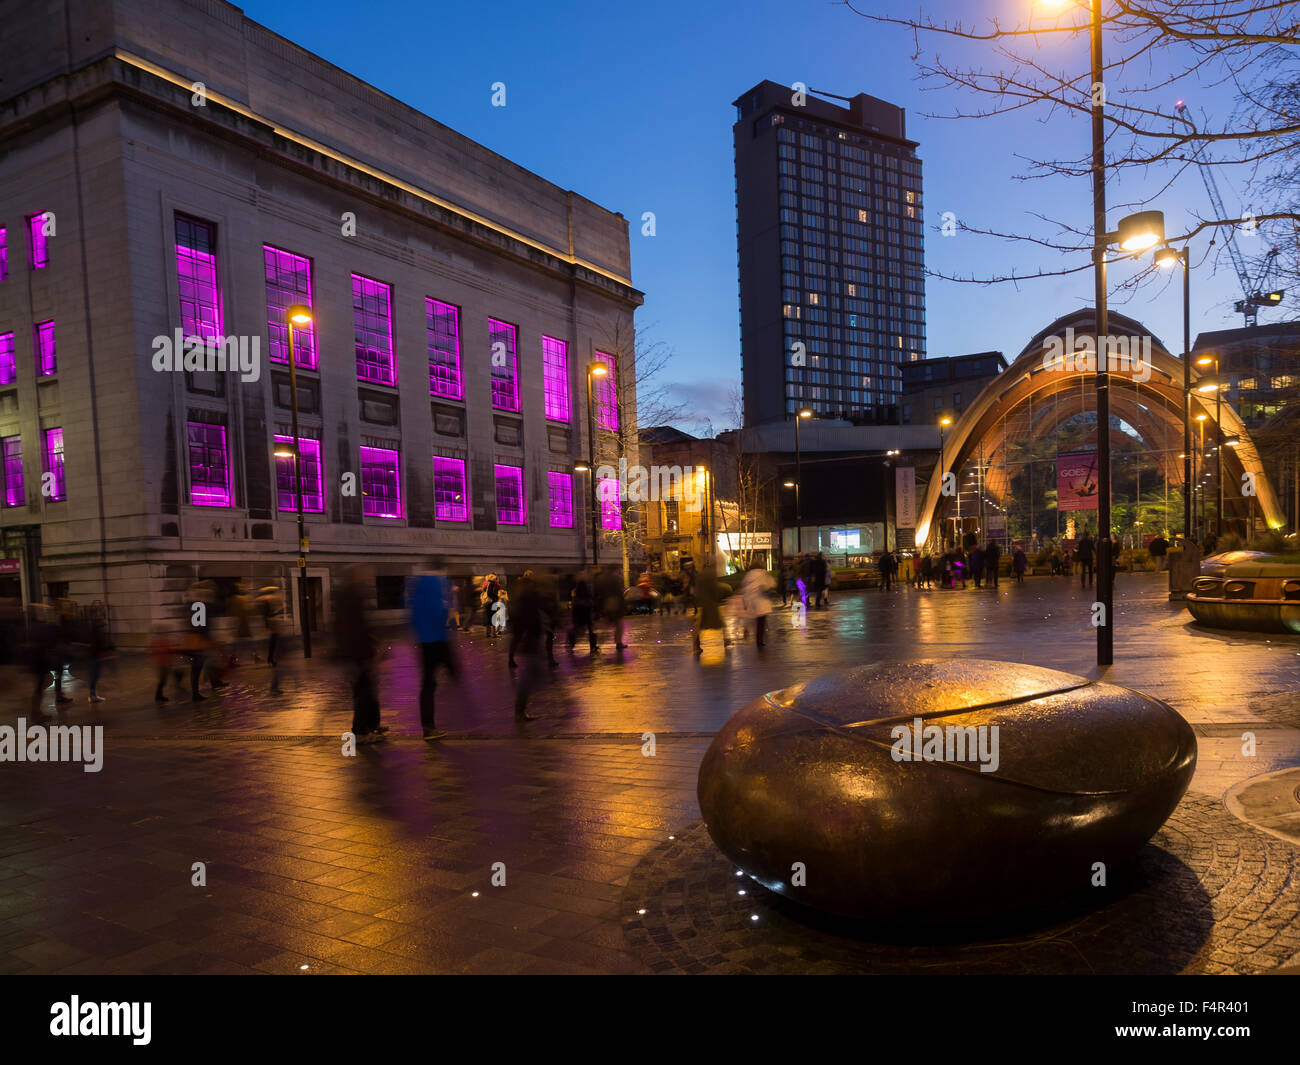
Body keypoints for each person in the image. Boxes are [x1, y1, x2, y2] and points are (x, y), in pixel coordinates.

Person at [409, 557, 458, 741]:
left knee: (428, 683)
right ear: (442, 568)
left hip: (423, 640)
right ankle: (462, 711)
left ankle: (428, 726)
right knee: (451, 674)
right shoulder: (438, 583)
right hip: (438, 638)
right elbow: (440, 609)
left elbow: (412, 612)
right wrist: (446, 624)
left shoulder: (418, 583)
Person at [337, 564, 384, 743]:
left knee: (367, 689)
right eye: (362, 573)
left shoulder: (348, 593)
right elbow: (357, 627)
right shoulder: (352, 595)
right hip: (358, 652)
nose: (366, 575)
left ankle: (371, 725)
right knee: (363, 691)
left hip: (355, 651)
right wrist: (369, 649)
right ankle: (359, 731)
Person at [507, 574, 543, 721]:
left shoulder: (518, 600)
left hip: (528, 641)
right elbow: (529, 620)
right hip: (530, 642)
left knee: (529, 677)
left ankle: (520, 711)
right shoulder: (527, 599)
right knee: (528, 678)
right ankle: (520, 712)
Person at [738, 563, 776, 649]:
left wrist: (745, 601)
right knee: (761, 621)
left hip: (751, 600)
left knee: (754, 619)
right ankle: (760, 640)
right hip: (761, 601)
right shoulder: (763, 573)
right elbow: (770, 584)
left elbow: (744, 588)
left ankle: (752, 633)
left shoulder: (748, 575)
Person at [693, 564, 726, 656]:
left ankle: (696, 645)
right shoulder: (712, 576)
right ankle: (726, 639)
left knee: (698, 626)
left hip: (701, 604)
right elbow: (715, 590)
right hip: (711, 604)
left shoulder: (699, 577)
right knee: (720, 622)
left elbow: (696, 591)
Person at [85, 602, 113, 704]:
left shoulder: (98, 625)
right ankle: (92, 695)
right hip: (95, 655)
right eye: (100, 611)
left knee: (96, 675)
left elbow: (101, 639)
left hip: (96, 654)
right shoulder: (95, 626)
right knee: (94, 675)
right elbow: (97, 640)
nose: (102, 614)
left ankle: (93, 695)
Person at [567, 569, 598, 653]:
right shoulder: (586, 587)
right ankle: (593, 646)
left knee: (576, 628)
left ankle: (571, 643)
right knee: (590, 628)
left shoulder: (575, 588)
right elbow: (590, 597)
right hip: (585, 609)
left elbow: (574, 598)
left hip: (577, 609)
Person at [482, 573, 503, 638]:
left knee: (488, 618)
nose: (497, 579)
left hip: (487, 603)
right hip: (492, 603)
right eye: (496, 578)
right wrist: (496, 597)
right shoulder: (492, 584)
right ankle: (493, 634)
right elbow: (489, 593)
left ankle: (487, 633)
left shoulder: (486, 583)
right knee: (493, 618)